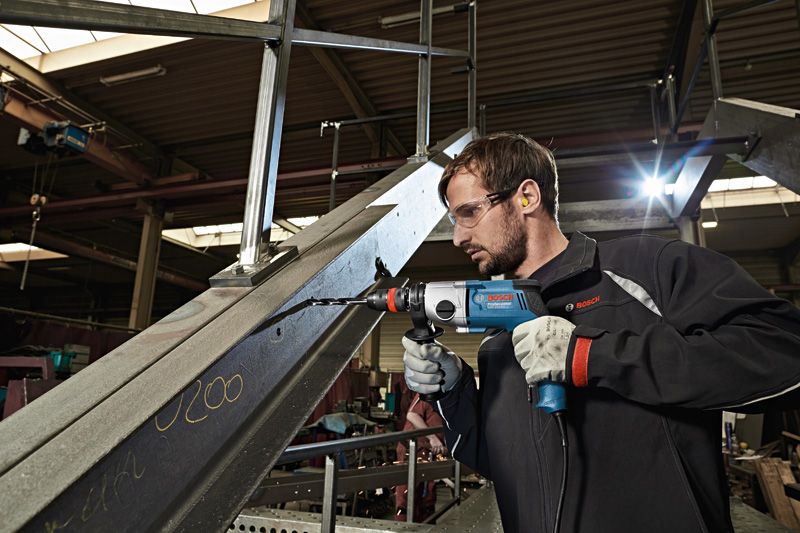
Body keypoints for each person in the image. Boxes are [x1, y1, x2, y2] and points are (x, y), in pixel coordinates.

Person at [401, 132, 800, 532]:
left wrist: (590, 357)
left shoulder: (647, 270)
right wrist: (453, 393)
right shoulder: (499, 337)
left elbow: (785, 354)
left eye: (469, 213)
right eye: (455, 220)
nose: (457, 237)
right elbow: (502, 466)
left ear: (526, 197)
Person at [394, 392, 446, 522]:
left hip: (430, 450)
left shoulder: (451, 397)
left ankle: (426, 526)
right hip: (412, 448)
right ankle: (404, 528)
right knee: (408, 495)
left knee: (428, 496)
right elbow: (412, 415)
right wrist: (433, 438)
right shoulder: (429, 389)